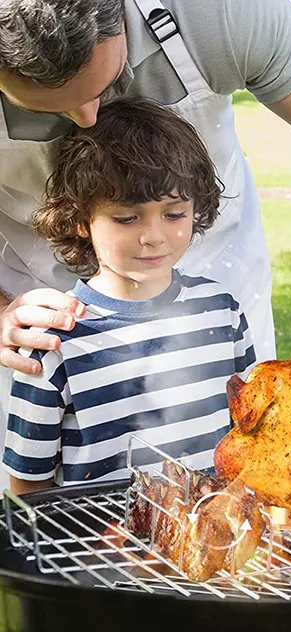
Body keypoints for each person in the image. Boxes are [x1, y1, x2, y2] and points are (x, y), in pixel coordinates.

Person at [0, 0, 291, 394]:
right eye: (47, 106)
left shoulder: (221, 12)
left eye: (102, 83)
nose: (88, 118)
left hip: (219, 286)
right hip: (41, 315)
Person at [2, 99, 257, 495]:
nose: (153, 236)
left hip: (210, 545)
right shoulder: (53, 344)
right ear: (79, 220)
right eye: (126, 217)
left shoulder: (223, 314)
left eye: (174, 214)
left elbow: (252, 436)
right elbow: (27, 493)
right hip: (100, 553)